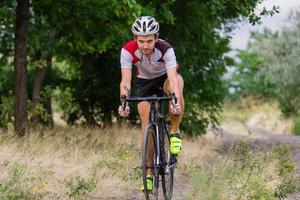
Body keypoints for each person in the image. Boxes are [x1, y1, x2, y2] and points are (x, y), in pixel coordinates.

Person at [118, 16, 184, 191]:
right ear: (135, 39)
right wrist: (124, 101)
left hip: (165, 78)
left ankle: (175, 131)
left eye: (149, 41)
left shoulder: (166, 49)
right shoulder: (127, 51)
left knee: (176, 85)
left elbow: (172, 77)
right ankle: (148, 173)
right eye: (141, 41)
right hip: (144, 81)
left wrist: (174, 99)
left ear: (156, 38)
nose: (145, 46)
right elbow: (125, 81)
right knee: (146, 123)